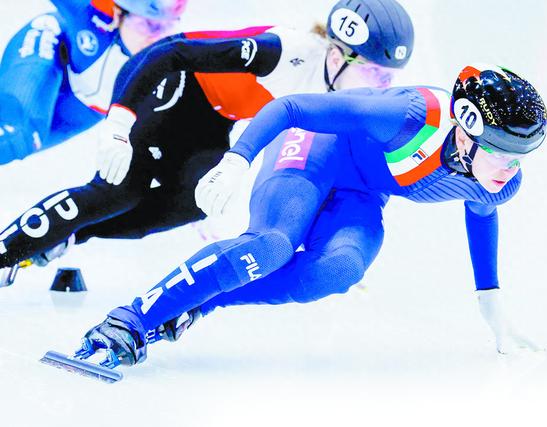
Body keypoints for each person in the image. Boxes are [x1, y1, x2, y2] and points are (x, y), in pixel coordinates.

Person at [75, 63, 547, 369]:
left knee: (340, 269)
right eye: (502, 153)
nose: (510, 169)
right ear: (464, 133)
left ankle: (204, 299)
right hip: (314, 150)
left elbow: (481, 215)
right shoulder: (407, 116)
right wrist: (237, 160)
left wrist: (491, 301)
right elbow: (291, 107)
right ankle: (128, 321)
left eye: (521, 157)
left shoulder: (498, 180)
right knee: (273, 246)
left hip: (360, 192)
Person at [0, 0, 414, 286]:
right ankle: (6, 250)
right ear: (339, 58)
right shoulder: (282, 52)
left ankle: (67, 236)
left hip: (214, 117)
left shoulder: (342, 93)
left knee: (192, 202)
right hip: (174, 80)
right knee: (119, 192)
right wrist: (119, 121)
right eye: (377, 74)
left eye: (390, 78)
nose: (383, 86)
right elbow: (173, 52)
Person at [0, 0, 189, 165]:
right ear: (118, 13)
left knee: (22, 144)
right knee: (17, 136)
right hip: (51, 46)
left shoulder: (178, 56)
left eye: (166, 27)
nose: (155, 38)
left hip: (82, 109)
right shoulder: (91, 12)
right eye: (147, 25)